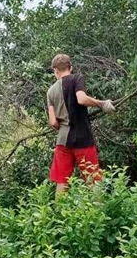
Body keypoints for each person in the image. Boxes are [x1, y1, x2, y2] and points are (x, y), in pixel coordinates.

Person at [47, 54, 115, 196]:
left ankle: (59, 213)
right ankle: (97, 212)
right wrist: (101, 104)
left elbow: (53, 122)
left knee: (62, 182)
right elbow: (82, 99)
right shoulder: (77, 78)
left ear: (55, 70)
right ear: (70, 67)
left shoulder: (50, 91)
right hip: (83, 139)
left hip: (62, 142)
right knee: (93, 180)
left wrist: (63, 125)